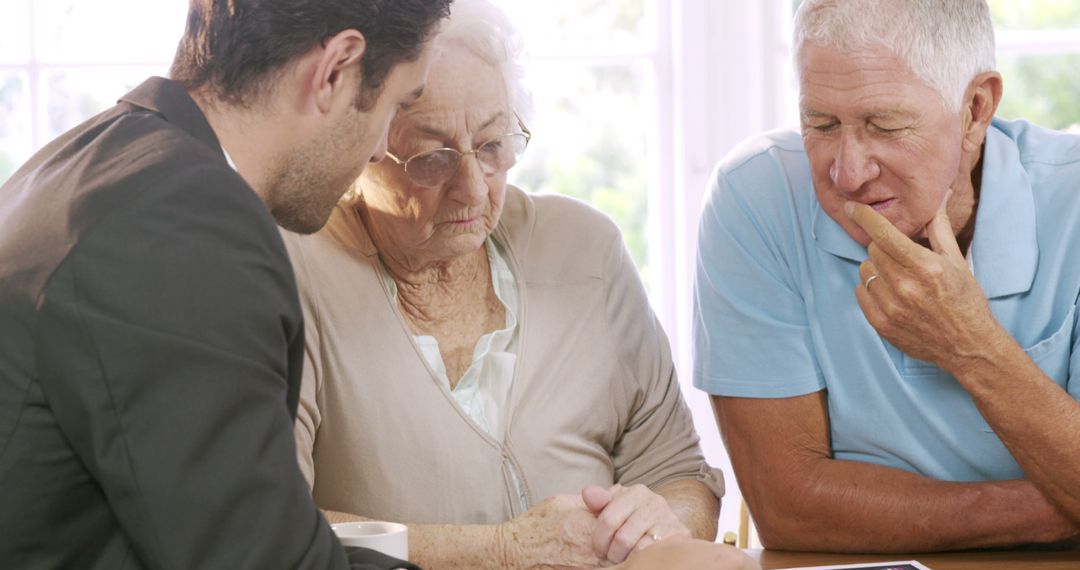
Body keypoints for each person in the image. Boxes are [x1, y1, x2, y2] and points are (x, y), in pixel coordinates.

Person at [0, 0, 451, 568]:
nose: (380, 148)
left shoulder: (94, 160)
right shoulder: (185, 224)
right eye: (396, 104)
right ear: (336, 69)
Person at [280, 0, 730, 567]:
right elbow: (270, 527)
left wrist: (662, 525)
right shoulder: (290, 272)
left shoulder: (586, 253)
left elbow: (681, 474)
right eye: (432, 158)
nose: (473, 188)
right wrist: (504, 551)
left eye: (492, 145)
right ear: (360, 147)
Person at [693, 0, 1080, 553]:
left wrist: (970, 345)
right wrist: (1060, 507)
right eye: (821, 124)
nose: (847, 173)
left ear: (975, 111)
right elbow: (789, 508)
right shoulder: (754, 197)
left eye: (886, 126)